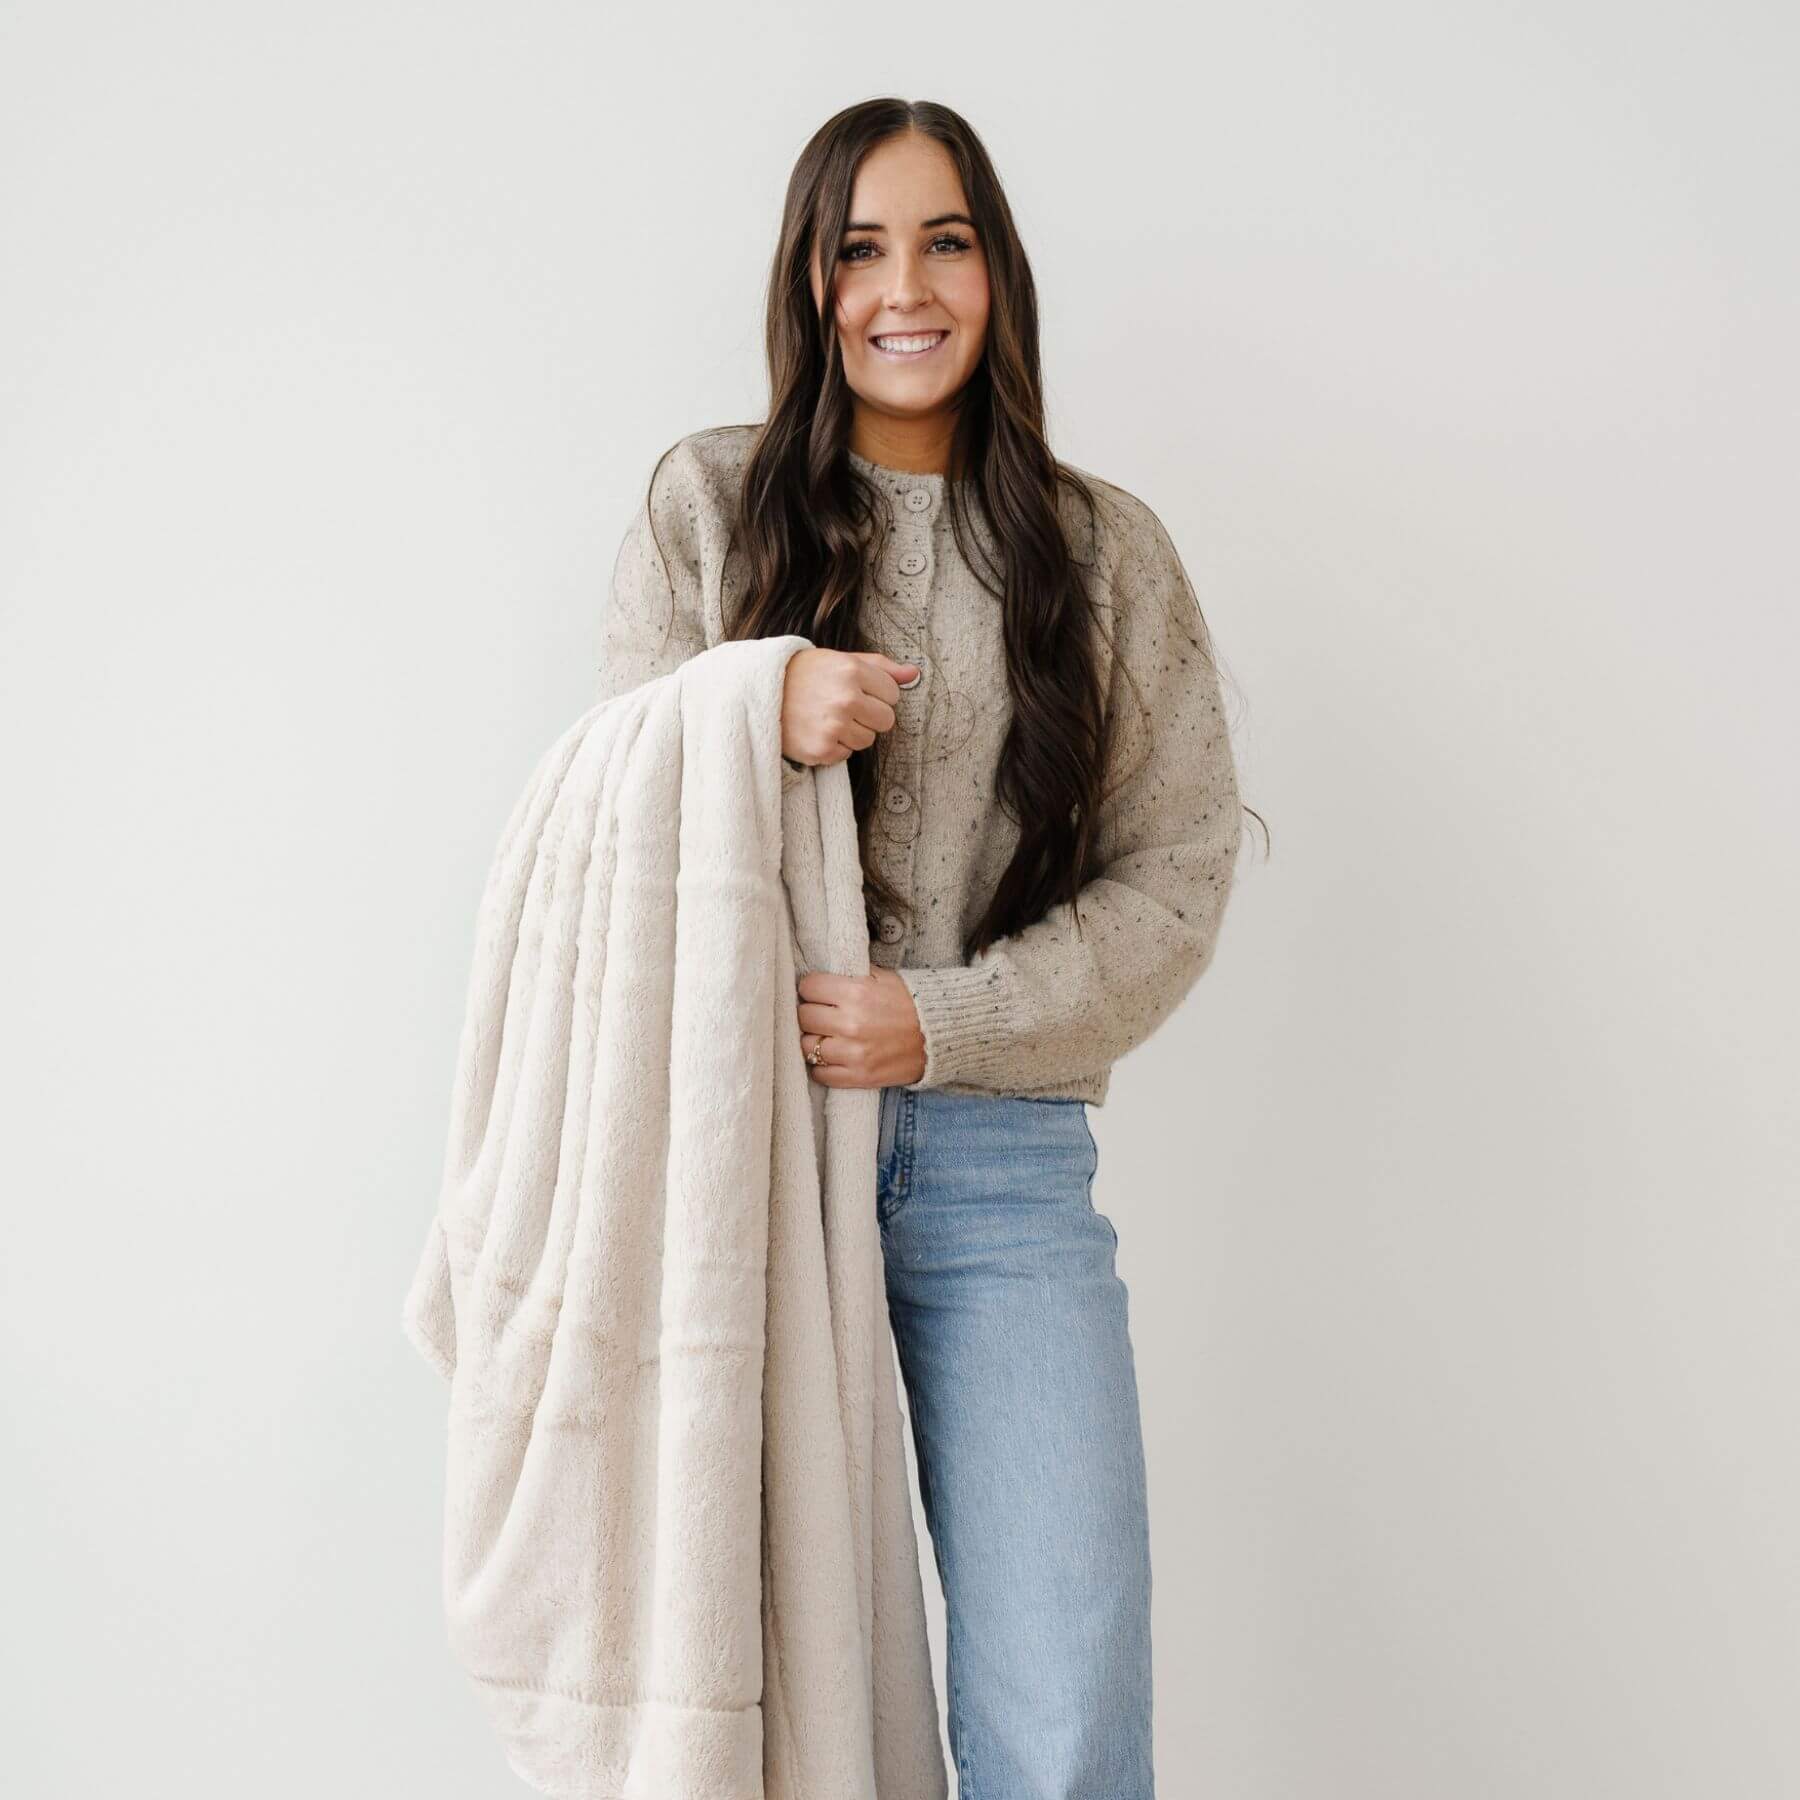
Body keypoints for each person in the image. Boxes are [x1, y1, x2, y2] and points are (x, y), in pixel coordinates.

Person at [592, 98, 1252, 1800]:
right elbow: (605, 833)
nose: (906, 288)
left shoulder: (1102, 555)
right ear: (810, 282)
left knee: (1067, 1699)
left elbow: (1178, 873)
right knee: (752, 1705)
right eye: (861, 248)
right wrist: (750, 705)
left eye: (946, 242)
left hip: (1001, 1168)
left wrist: (945, 1020)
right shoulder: (707, 505)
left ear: (997, 271)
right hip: (747, 1162)